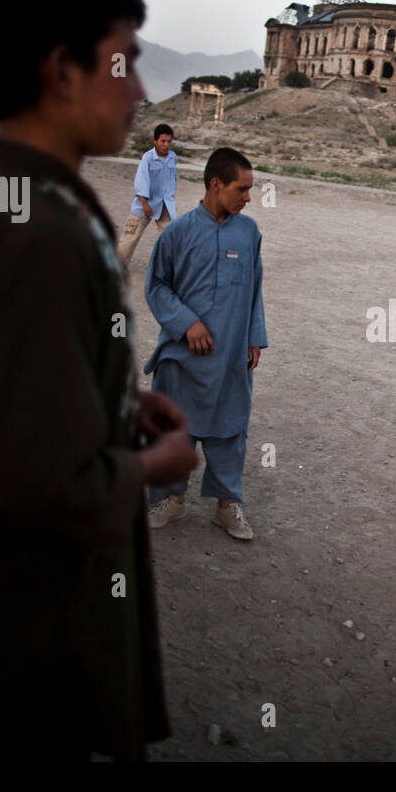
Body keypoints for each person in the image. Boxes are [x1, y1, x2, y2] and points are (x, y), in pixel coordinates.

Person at [0, 0, 197, 761]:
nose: (139, 89)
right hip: (22, 619)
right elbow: (41, 484)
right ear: (62, 70)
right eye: (122, 61)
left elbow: (2, 386)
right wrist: (156, 464)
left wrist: (108, 399)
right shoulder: (41, 229)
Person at [144, 147, 267, 541]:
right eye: (242, 189)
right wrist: (186, 323)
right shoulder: (178, 233)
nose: (249, 197)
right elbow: (157, 286)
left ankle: (227, 506)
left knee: (229, 429)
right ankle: (170, 499)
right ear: (216, 185)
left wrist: (254, 338)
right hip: (182, 358)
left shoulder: (249, 233)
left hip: (231, 355)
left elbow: (255, 289)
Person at [117, 122, 176, 265]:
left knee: (171, 237)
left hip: (164, 205)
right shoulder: (148, 158)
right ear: (155, 141)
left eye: (169, 141)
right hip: (145, 203)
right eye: (163, 141)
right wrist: (144, 203)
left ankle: (169, 269)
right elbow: (141, 181)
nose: (166, 145)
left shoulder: (172, 157)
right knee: (130, 237)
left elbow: (171, 180)